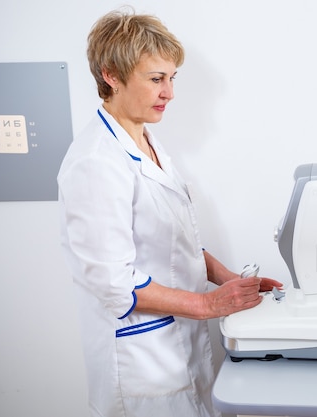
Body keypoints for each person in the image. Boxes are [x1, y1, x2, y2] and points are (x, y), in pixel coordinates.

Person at [57, 9, 282, 417]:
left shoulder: (147, 142)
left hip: (179, 345)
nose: (170, 93)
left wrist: (227, 279)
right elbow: (112, 282)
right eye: (156, 79)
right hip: (139, 361)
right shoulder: (94, 163)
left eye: (172, 78)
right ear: (111, 75)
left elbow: (181, 240)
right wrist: (209, 305)